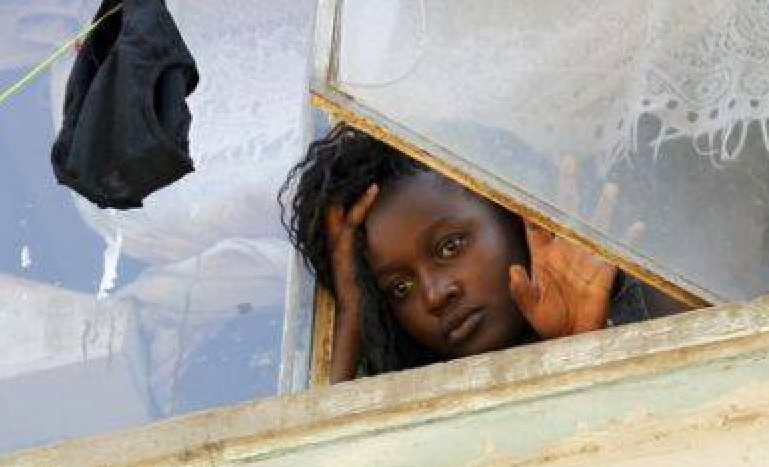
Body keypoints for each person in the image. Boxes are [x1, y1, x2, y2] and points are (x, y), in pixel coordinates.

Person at [279, 123, 662, 384]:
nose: (434, 294)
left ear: (512, 210)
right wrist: (351, 322)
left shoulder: (659, 308)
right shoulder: (427, 421)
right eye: (398, 288)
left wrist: (581, 344)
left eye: (450, 246)